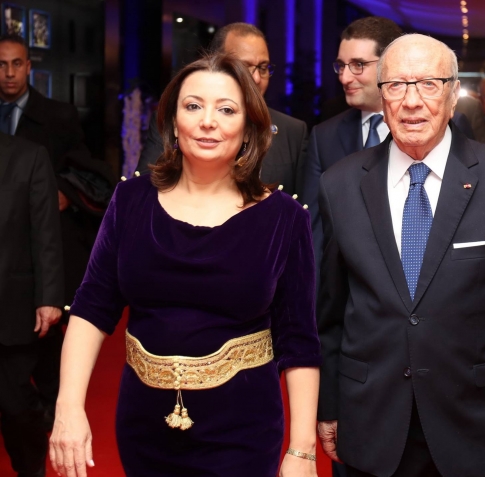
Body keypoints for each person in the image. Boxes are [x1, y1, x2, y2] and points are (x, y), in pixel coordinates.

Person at [316, 33, 485, 477]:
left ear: (454, 94)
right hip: (374, 423)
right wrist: (329, 406)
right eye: (397, 85)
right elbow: (330, 317)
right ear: (381, 96)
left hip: (481, 425)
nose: (411, 101)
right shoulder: (339, 185)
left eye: (429, 84)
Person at [49, 54, 321, 477]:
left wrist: (302, 451)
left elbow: (299, 339)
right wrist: (68, 407)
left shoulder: (284, 218)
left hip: (244, 430)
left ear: (249, 127)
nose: (207, 121)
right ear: (174, 122)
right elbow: (92, 307)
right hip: (143, 424)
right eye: (193, 106)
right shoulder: (130, 201)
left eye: (226, 110)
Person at [0, 33, 114, 431]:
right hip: (5, 244)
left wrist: (63, 191)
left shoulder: (57, 116)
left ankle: (47, 418)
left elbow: (86, 168)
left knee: (44, 345)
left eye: (16, 63)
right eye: (2, 64)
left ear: (29, 67)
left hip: (45, 242)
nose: (9, 72)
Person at [301, 16, 477, 271]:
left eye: (358, 65)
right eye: (341, 66)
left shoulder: (448, 124)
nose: (345, 78)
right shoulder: (324, 135)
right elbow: (314, 231)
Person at [136, 22, 308, 195]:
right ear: (216, 64)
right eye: (244, 67)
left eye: (263, 68)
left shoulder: (293, 131)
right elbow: (146, 189)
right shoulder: (179, 121)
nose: (256, 78)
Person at [0, 132, 64, 477]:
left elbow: (45, 232)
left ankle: (31, 469)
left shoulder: (29, 156)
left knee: (15, 404)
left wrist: (49, 297)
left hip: (10, 305)